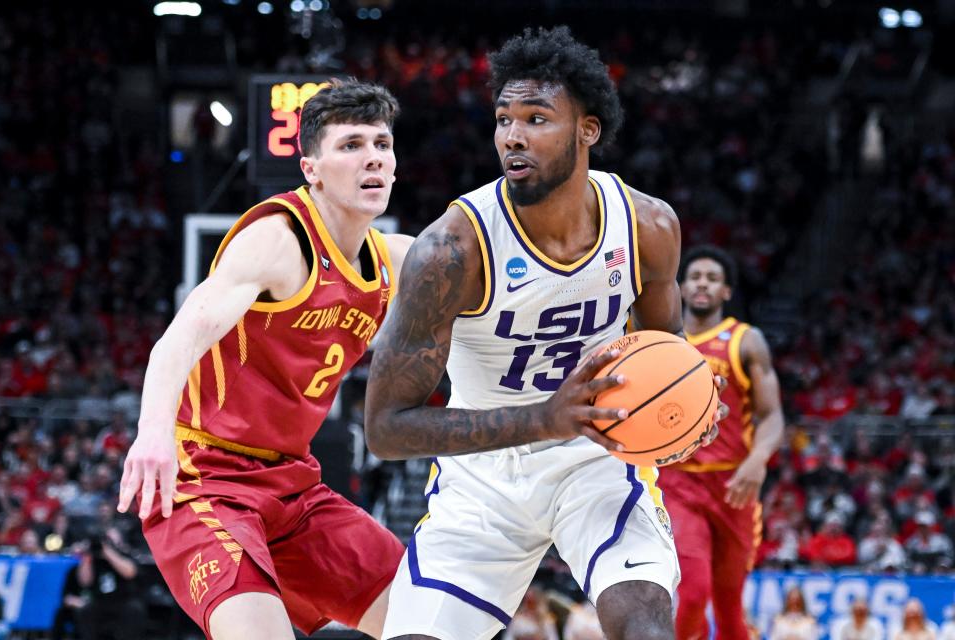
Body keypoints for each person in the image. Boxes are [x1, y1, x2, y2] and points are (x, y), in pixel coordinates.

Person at [365, 26, 724, 640]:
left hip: (597, 461)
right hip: (481, 478)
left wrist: (689, 410)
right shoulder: (451, 250)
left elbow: (669, 357)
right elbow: (385, 429)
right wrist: (546, 418)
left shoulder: (647, 226)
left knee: (643, 626)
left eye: (536, 118)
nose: (513, 136)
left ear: (588, 130)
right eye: (504, 119)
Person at [116, 79, 412, 640]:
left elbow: (502, 292)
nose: (372, 157)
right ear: (312, 168)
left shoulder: (399, 260)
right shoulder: (278, 241)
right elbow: (175, 342)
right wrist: (152, 433)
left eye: (382, 143)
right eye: (351, 145)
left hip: (294, 487)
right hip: (205, 478)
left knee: (430, 622)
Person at [657, 245, 785, 639]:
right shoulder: (660, 342)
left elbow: (772, 415)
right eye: (694, 276)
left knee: (730, 608)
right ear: (680, 286)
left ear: (726, 291)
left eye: (712, 279)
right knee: (693, 594)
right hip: (676, 482)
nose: (702, 284)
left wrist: (758, 459)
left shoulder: (746, 341)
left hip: (734, 487)